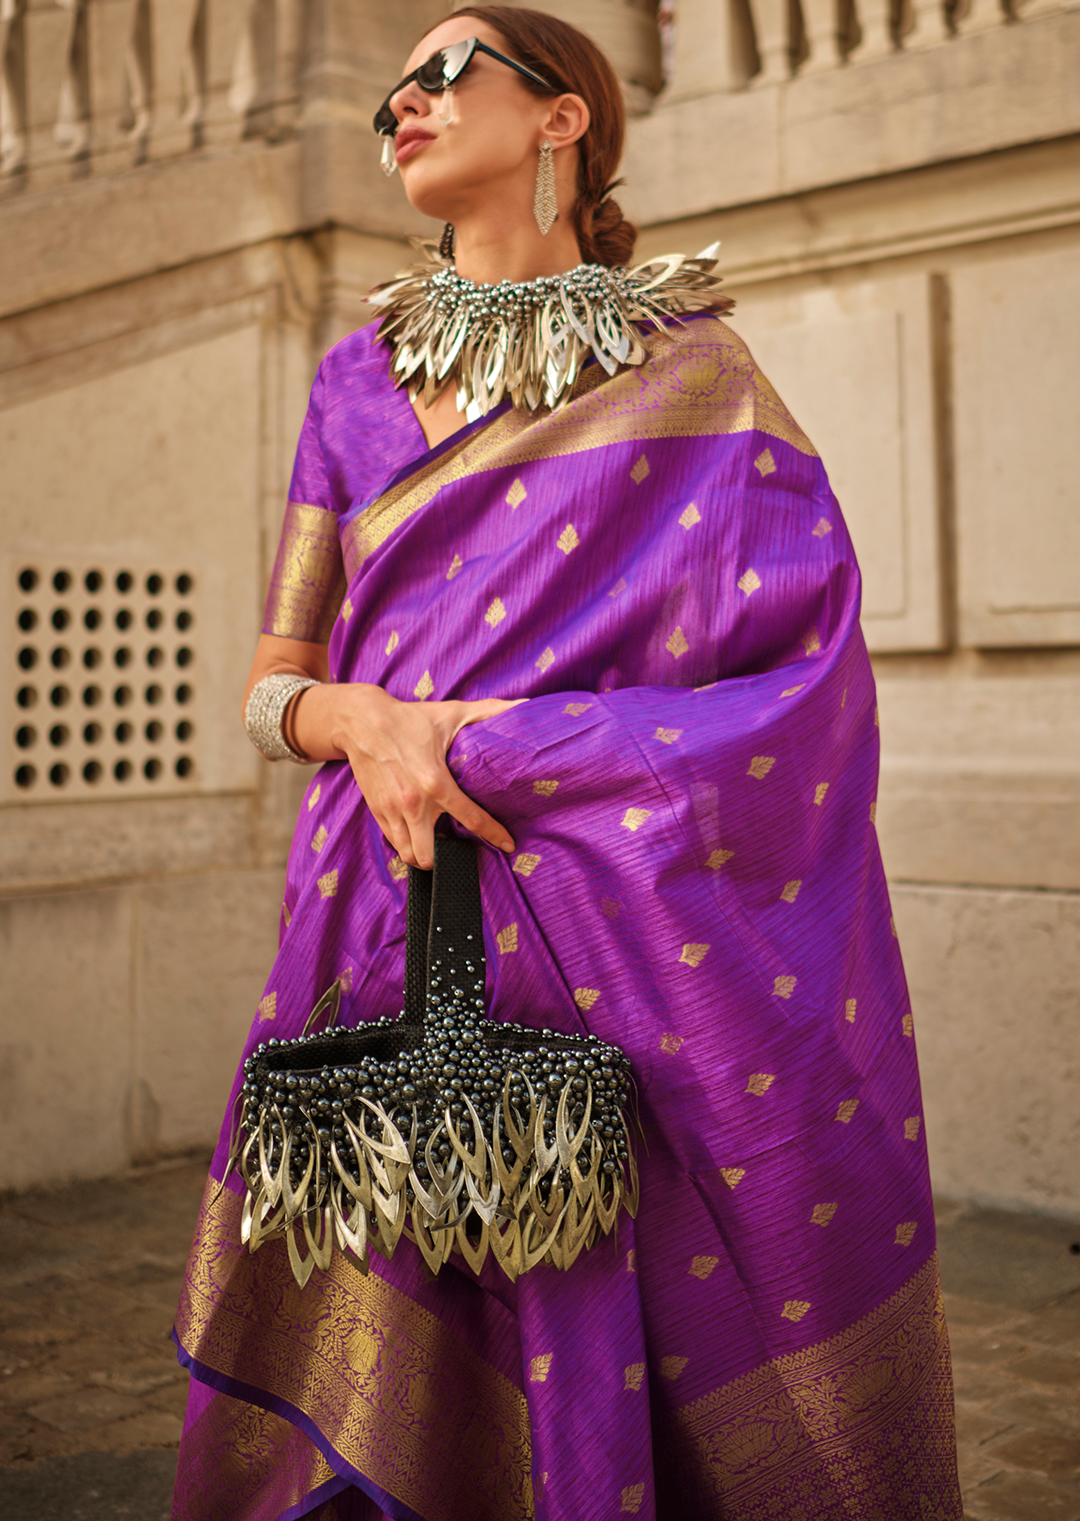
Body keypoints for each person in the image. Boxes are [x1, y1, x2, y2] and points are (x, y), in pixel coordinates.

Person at [170, 8, 963, 1519]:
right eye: (394, 80)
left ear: (562, 120)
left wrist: (503, 741)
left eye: (446, 68)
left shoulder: (695, 377)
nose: (402, 99)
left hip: (622, 933)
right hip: (380, 909)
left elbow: (804, 689)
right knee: (373, 1281)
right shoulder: (352, 385)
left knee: (638, 1324)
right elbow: (278, 681)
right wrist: (361, 722)